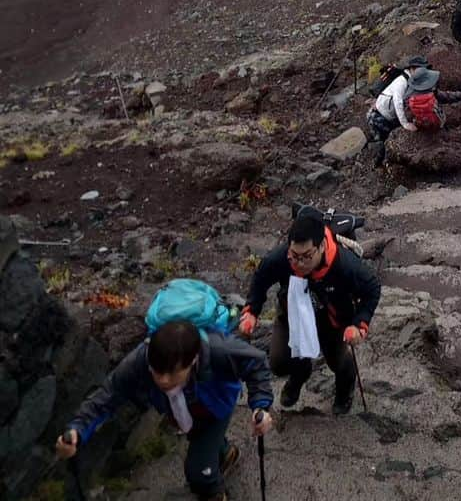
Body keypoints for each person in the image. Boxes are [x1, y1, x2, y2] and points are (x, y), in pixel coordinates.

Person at [58, 320, 273, 501]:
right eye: (157, 370)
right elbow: (107, 395)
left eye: (172, 373)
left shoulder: (218, 349)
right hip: (179, 409)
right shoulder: (141, 360)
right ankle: (226, 453)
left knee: (198, 474)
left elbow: (256, 362)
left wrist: (260, 406)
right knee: (199, 436)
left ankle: (214, 492)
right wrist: (78, 429)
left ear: (193, 360)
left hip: (216, 406)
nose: (162, 380)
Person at [239, 211, 381, 416]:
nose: (299, 263)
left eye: (306, 256)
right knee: (278, 363)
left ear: (321, 246)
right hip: (292, 315)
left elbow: (372, 288)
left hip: (333, 320)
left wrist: (359, 324)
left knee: (339, 362)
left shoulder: (345, 265)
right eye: (294, 256)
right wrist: (252, 310)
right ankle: (300, 372)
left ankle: (344, 390)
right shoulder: (282, 258)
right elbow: (261, 277)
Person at [365, 55, 428, 167]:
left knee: (390, 139)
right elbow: (397, 101)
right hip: (379, 117)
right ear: (412, 69)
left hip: (387, 114)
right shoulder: (402, 82)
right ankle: (379, 164)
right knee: (385, 141)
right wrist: (405, 124)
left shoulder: (410, 80)